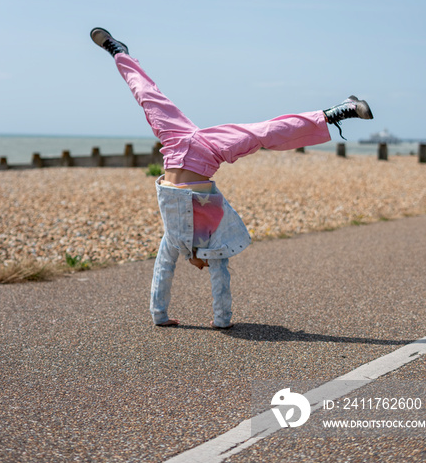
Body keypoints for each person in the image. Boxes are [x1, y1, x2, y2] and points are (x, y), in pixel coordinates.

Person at [90, 27, 373, 330]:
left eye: (198, 262)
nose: (200, 264)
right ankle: (337, 112)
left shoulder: (178, 239)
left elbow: (171, 269)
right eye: (201, 262)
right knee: (263, 132)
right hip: (203, 153)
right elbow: (202, 269)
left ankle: (119, 52)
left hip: (177, 143)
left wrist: (162, 316)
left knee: (147, 95)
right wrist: (212, 313)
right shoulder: (202, 238)